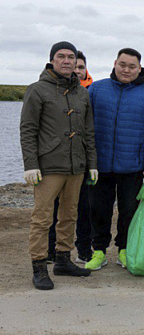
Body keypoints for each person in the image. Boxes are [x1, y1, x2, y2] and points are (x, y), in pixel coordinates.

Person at [20, 42, 96, 289]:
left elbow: (88, 132)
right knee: (42, 218)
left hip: (76, 165)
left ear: (76, 62)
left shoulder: (82, 93)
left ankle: (63, 259)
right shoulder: (37, 90)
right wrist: (31, 165)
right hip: (48, 165)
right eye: (61, 56)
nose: (66, 60)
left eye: (71, 57)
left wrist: (91, 163)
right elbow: (28, 130)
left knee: (69, 214)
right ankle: (39, 266)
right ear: (51, 60)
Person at [86, 48, 144, 270]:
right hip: (100, 166)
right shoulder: (97, 89)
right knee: (98, 209)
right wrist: (87, 160)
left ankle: (124, 250)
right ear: (114, 63)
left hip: (133, 166)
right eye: (122, 64)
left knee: (129, 210)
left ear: (139, 68)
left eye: (132, 66)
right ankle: (99, 251)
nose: (126, 70)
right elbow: (83, 124)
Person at [48, 49, 93, 263]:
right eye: (74, 66)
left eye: (81, 67)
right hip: (56, 162)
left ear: (85, 70)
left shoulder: (91, 93)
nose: (76, 69)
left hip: (83, 162)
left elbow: (92, 129)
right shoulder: (49, 90)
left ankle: (83, 251)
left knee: (83, 208)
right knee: (53, 209)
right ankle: (51, 252)